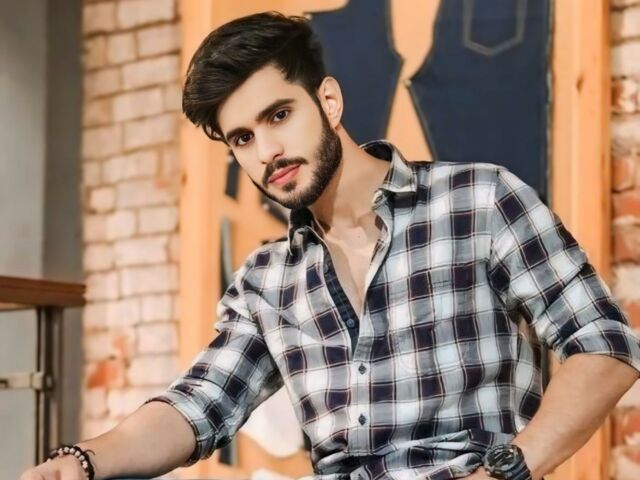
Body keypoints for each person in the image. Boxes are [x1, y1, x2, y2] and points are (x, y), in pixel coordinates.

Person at [21, 11, 640, 480]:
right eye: (242, 138)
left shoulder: (479, 201)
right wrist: (80, 461)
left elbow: (604, 345)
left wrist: (506, 471)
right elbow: (198, 405)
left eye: (278, 116)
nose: (267, 151)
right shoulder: (268, 281)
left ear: (328, 100)